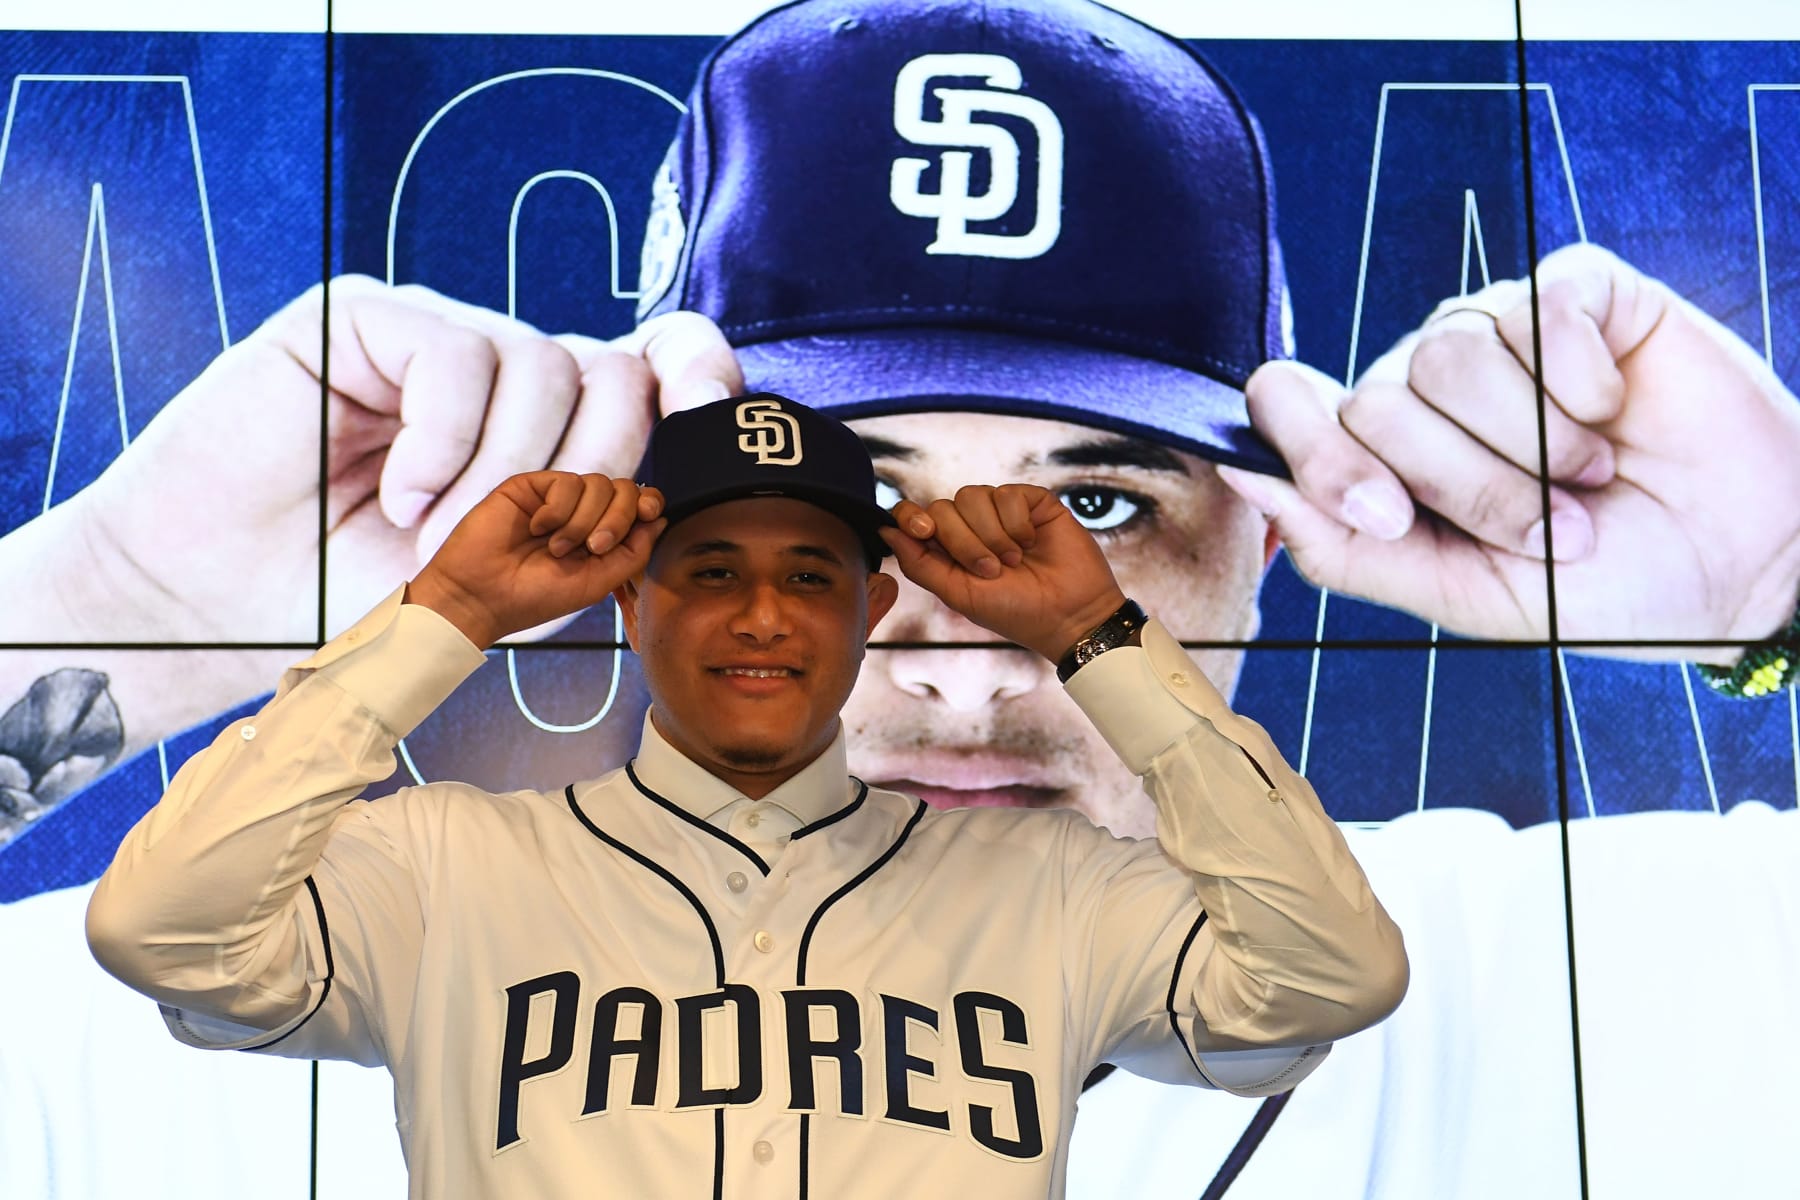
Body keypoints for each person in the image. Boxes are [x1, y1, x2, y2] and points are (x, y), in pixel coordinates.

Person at [84, 392, 1406, 1196]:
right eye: (711, 568)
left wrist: (1096, 638)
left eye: (813, 575)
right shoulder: (445, 868)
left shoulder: (1050, 888)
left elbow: (1324, 978)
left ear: (873, 607)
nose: (763, 618)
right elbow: (165, 932)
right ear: (626, 597)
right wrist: (446, 616)